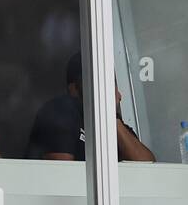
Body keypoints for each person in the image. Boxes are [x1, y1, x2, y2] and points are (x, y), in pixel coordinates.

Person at [26, 52, 154, 162]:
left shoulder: (114, 123)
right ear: (74, 89)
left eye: (110, 84)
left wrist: (111, 116)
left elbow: (146, 167)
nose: (119, 96)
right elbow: (62, 173)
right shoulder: (60, 111)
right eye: (102, 82)